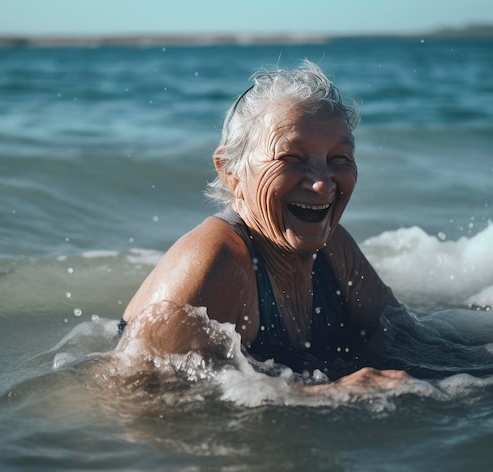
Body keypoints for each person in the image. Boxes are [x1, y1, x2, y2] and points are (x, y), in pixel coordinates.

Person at [117, 60, 409, 394]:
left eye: (338, 160)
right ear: (231, 172)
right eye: (291, 159)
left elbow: (408, 341)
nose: (322, 185)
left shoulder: (335, 249)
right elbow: (129, 397)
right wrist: (324, 394)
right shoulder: (215, 261)